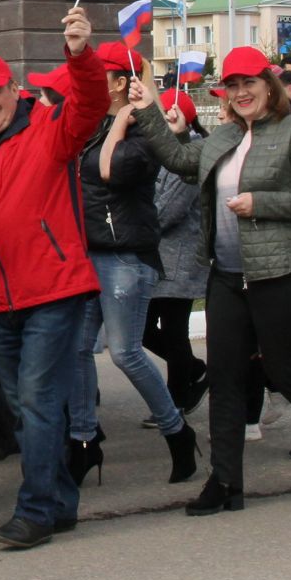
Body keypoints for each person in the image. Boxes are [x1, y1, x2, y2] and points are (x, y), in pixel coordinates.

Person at [130, 46, 291, 512]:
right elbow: (179, 159)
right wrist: (147, 112)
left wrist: (263, 204)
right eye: (232, 86)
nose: (240, 93)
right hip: (225, 276)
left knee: (289, 372)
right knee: (224, 377)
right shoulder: (222, 137)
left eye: (249, 84)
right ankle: (225, 483)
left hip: (278, 273)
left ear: (268, 86)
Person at [0, 13, 107, 547]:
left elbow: (93, 106)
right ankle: (60, 501)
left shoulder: (49, 131)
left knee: (36, 400)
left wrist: (79, 54)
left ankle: (34, 511)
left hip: (55, 290)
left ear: (13, 90)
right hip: (0, 302)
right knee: (20, 406)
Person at [74, 43, 196, 485]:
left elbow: (111, 170)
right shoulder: (93, 122)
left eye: (100, 76)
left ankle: (177, 431)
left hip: (125, 254)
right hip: (88, 251)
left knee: (125, 353)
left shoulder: (146, 128)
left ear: (122, 83)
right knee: (77, 351)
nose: (90, 83)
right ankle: (84, 441)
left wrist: (125, 120)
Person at [145, 87, 210, 418]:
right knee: (152, 328)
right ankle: (192, 373)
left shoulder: (189, 152)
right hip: (163, 256)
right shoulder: (165, 150)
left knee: (171, 328)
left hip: (180, 256)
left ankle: (177, 397)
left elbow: (168, 210)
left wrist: (138, 220)